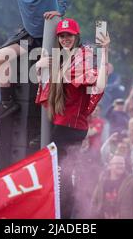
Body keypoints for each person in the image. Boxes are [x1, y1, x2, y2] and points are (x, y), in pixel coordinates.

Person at [35, 18, 109, 218]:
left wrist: (105, 52)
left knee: (63, 179)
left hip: (70, 129)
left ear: (76, 36)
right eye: (61, 35)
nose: (65, 39)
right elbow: (46, 87)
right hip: (59, 125)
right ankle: (62, 214)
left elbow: (99, 84)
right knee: (58, 178)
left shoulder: (82, 57)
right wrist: (41, 66)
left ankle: (67, 217)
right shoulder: (60, 59)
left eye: (69, 35)